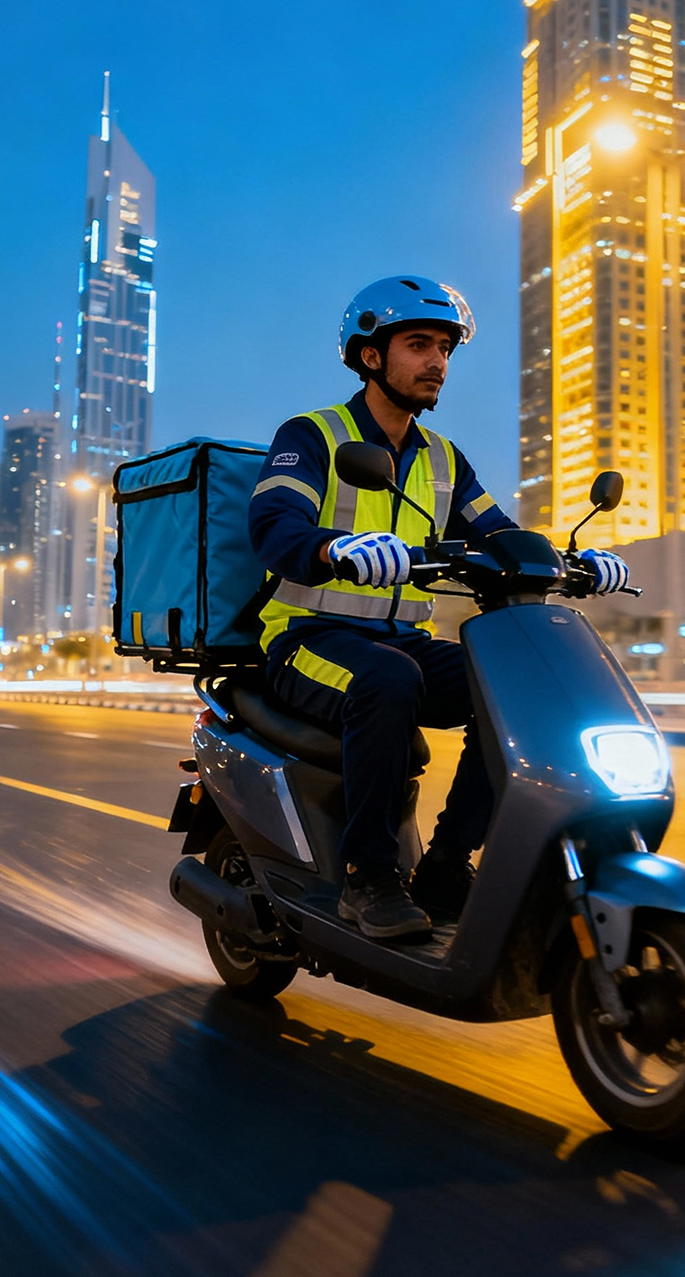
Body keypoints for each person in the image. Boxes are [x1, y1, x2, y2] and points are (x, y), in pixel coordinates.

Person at [249, 276, 629, 940]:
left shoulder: (444, 459)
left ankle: (449, 861)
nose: (437, 362)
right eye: (419, 344)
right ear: (371, 356)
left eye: (446, 350)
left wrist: (580, 561)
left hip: (400, 639)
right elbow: (274, 524)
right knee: (390, 679)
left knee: (507, 684)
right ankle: (369, 876)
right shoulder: (312, 436)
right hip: (308, 641)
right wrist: (338, 548)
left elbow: (503, 536)